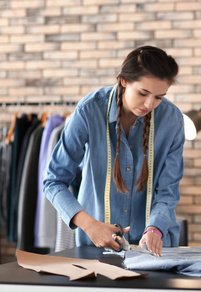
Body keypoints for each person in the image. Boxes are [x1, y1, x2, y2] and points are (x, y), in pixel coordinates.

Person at [43, 45, 184, 257]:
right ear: (124, 81)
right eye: (143, 93)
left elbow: (168, 191)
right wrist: (89, 225)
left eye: (159, 97)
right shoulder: (89, 110)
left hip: (156, 249)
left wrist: (156, 227)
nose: (149, 104)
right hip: (96, 246)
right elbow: (53, 180)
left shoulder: (172, 120)